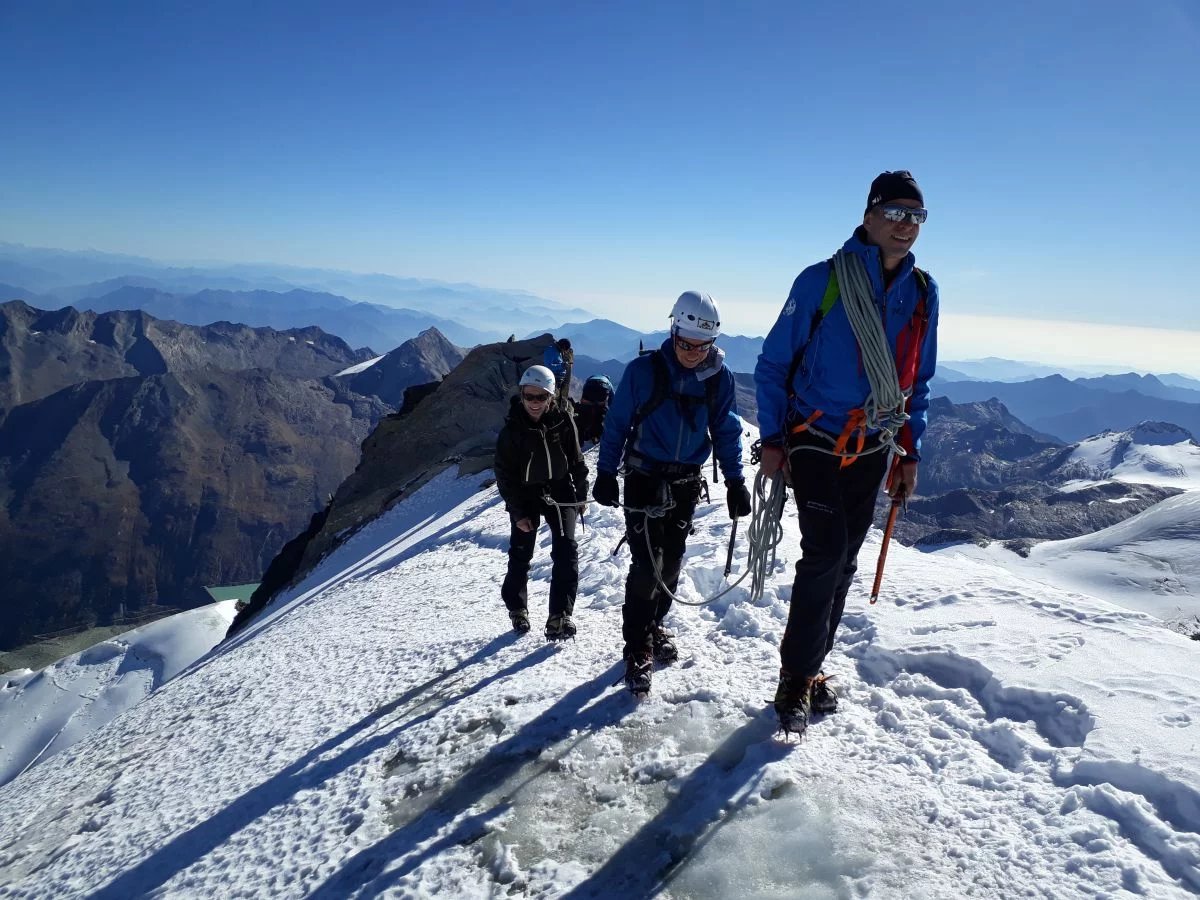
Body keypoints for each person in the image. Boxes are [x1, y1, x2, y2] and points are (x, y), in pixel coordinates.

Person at [754, 170, 940, 736]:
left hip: (874, 442)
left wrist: (909, 452)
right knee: (826, 550)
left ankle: (810, 672)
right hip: (813, 435)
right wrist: (771, 438)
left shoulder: (923, 293)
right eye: (895, 213)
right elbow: (772, 363)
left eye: (916, 217)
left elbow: (918, 380)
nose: (905, 226)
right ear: (868, 216)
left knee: (846, 561)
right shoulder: (822, 281)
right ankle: (794, 679)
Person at [593, 291, 751, 694]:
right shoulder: (643, 372)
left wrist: (735, 481)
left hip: (684, 483)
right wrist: (606, 472)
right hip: (644, 478)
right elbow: (617, 424)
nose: (694, 353)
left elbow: (727, 431)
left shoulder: (719, 378)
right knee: (647, 567)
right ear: (673, 330)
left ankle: (655, 625)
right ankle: (638, 648)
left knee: (672, 563)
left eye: (703, 346)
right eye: (686, 343)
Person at [494, 364, 590, 640]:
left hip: (560, 493)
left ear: (550, 397)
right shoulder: (512, 431)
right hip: (526, 496)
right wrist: (517, 511)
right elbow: (505, 475)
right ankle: (517, 608)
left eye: (541, 397)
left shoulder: (563, 421)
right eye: (529, 396)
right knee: (521, 555)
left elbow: (576, 460)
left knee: (566, 553)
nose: (534, 403)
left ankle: (559, 617)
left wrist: (581, 493)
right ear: (521, 395)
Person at [575, 374, 615, 445]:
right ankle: (596, 436)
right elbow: (612, 400)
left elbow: (584, 390)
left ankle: (580, 435)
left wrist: (584, 404)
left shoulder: (591, 377)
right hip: (603, 388)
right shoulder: (608, 382)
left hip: (589, 387)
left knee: (585, 411)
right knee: (600, 411)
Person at [543, 338, 574, 405]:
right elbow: (548, 366)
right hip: (554, 379)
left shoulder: (558, 351)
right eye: (564, 349)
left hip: (560, 380)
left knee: (559, 399)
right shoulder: (550, 350)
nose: (564, 351)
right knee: (554, 398)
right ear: (562, 346)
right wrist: (562, 365)